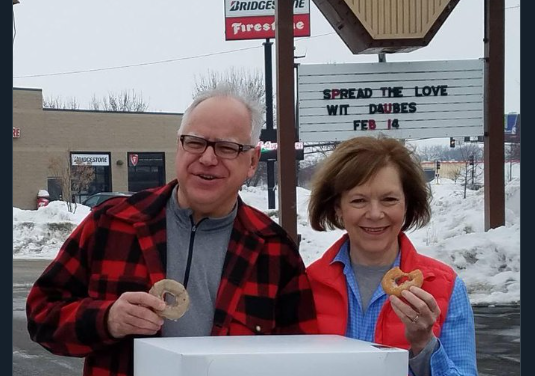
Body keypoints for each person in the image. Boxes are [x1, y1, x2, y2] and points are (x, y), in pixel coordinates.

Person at [26, 82, 318, 376]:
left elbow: (299, 359)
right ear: (178, 145)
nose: (207, 158)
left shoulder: (274, 250)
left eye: (227, 147)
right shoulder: (112, 224)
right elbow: (42, 314)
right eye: (194, 142)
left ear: (252, 161)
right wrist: (107, 319)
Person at [306, 136, 478, 376]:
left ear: (406, 205)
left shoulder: (446, 288)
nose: (375, 214)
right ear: (338, 207)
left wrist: (423, 345)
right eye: (358, 200)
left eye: (389, 199)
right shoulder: (306, 285)